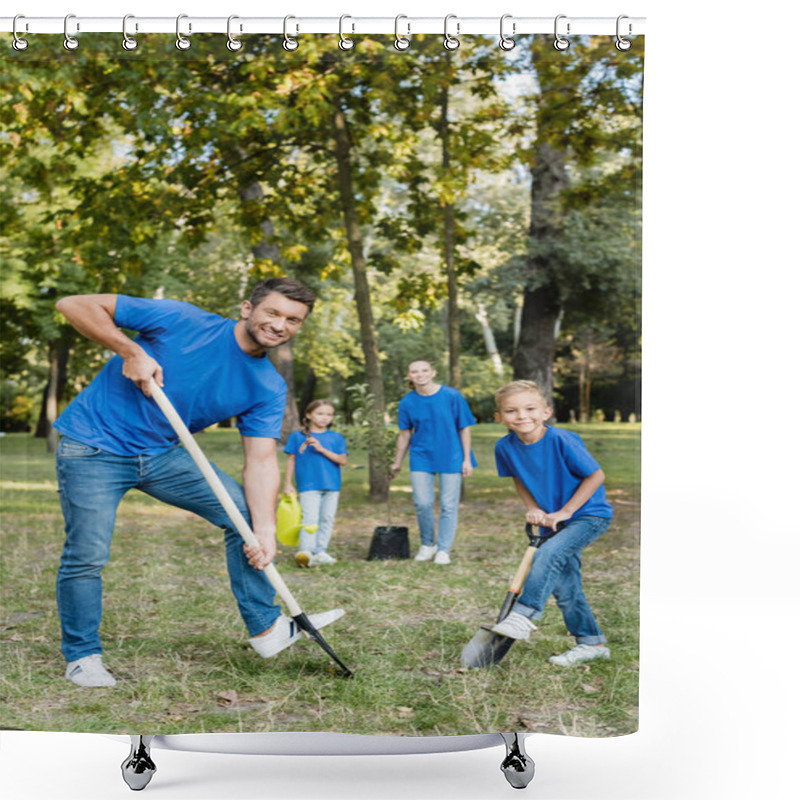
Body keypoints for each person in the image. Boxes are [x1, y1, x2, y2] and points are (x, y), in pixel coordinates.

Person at [52, 278, 343, 688]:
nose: (280, 325)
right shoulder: (182, 319)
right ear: (247, 308)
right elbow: (73, 301)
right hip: (94, 447)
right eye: (273, 312)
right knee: (88, 554)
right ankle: (82, 657)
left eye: (292, 320)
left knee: (242, 515)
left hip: (162, 455)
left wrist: (265, 530)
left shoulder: (267, 386)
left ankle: (266, 628)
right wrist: (130, 350)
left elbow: (260, 460)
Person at [490, 380, 613, 667]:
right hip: (551, 521)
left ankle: (524, 615)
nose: (522, 416)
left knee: (548, 554)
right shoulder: (504, 447)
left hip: (588, 515)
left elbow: (595, 476)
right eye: (511, 411)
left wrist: (566, 511)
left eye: (530, 408)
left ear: (546, 412)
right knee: (566, 588)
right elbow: (518, 478)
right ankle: (591, 643)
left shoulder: (561, 440)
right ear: (499, 418)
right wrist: (532, 507)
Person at [389, 360, 476, 565]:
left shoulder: (452, 396)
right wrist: (397, 462)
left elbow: (464, 428)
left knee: (448, 505)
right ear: (409, 376)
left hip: (452, 456)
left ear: (433, 372)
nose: (420, 374)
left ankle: (443, 550)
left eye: (424, 370)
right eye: (414, 371)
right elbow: (404, 435)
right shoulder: (407, 402)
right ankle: (428, 545)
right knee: (422, 503)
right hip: (421, 457)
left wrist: (466, 459)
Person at [283, 400, 348, 568]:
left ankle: (320, 551)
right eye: (320, 413)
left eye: (329, 414)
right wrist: (288, 483)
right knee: (310, 519)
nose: (325, 417)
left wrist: (321, 449)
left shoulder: (336, 437)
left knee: (327, 518)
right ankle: (306, 552)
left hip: (332, 485)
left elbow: (343, 460)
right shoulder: (297, 437)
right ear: (308, 415)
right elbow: (291, 460)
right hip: (308, 485)